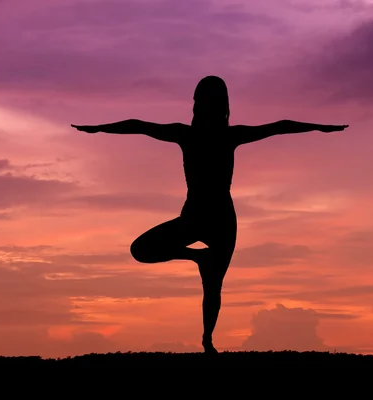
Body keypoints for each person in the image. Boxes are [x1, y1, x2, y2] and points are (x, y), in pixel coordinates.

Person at [71, 75, 348, 354]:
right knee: (142, 250)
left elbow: (279, 127)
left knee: (213, 286)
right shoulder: (191, 134)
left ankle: (207, 341)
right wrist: (100, 128)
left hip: (220, 221)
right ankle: (198, 260)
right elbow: (139, 126)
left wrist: (318, 127)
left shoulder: (219, 135)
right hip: (196, 218)